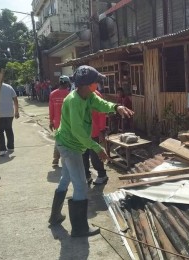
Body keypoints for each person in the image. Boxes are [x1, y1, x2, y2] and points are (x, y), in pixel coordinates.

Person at [48, 65, 133, 238]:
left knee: (65, 178)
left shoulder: (88, 96)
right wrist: (97, 147)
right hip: (70, 146)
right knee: (80, 186)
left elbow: (101, 103)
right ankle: (79, 229)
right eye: (95, 82)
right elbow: (78, 132)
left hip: (69, 144)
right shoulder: (74, 101)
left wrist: (115, 107)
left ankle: (55, 216)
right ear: (87, 84)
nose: (97, 85)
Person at [83, 90, 108, 185]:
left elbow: (101, 113)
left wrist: (102, 130)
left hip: (94, 131)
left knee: (95, 156)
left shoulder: (96, 95)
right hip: (82, 133)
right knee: (83, 156)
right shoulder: (76, 95)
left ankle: (102, 175)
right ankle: (87, 176)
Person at [49, 75, 71, 166]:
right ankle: (67, 160)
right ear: (66, 83)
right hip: (69, 122)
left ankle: (55, 159)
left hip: (57, 122)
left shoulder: (52, 94)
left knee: (58, 140)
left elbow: (51, 109)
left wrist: (51, 121)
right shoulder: (70, 94)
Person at [0, 83, 19, 156]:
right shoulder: (9, 87)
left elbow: (15, 99)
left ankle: (2, 149)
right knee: (9, 129)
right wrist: (16, 111)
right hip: (9, 113)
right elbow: (15, 99)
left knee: (0, 132)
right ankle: (10, 147)